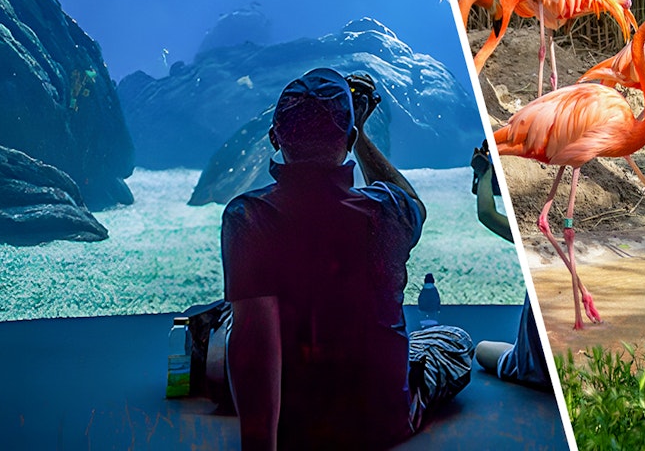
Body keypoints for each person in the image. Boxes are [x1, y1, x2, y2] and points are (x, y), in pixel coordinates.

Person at [221, 68, 471, 450]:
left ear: (275, 137)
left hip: (292, 427)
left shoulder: (248, 217)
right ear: (350, 137)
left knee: (232, 323)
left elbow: (255, 341)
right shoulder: (387, 211)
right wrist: (362, 135)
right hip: (381, 423)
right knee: (452, 339)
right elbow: (414, 203)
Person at [468, 142, 551, 389]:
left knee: (481, 349)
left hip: (532, 367)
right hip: (537, 366)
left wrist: (484, 173)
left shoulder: (532, 243)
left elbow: (486, 214)